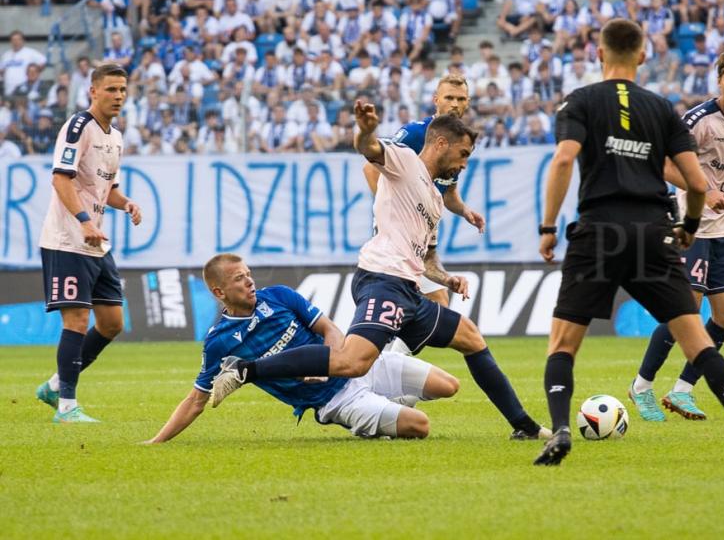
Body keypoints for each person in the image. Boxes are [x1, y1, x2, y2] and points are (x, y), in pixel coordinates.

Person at [210, 107, 550, 440]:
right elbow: (368, 148)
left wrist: (446, 279)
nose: (464, 164)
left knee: (471, 338)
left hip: (409, 290)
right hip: (382, 279)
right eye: (463, 154)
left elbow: (426, 257)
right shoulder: (404, 162)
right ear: (441, 144)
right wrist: (366, 128)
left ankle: (524, 426)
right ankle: (245, 370)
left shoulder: (433, 197)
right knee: (352, 362)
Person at [533, 19, 724, 465]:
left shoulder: (579, 101)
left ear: (598, 54)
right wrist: (687, 226)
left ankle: (562, 431)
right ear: (643, 55)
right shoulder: (663, 108)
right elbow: (696, 182)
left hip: (599, 232)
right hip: (654, 232)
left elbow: (564, 158)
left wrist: (548, 228)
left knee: (563, 345)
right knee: (698, 341)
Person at [144, 254, 460, 443]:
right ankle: (365, 423)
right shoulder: (220, 341)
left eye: (249, 275)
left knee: (449, 386)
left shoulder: (279, 296)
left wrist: (330, 364)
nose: (250, 282)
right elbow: (197, 400)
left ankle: (386, 403)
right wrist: (157, 441)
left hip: (361, 364)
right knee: (420, 427)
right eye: (240, 279)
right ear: (219, 291)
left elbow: (330, 330)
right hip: (336, 401)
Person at [629, 47, 724, 423]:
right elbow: (665, 163)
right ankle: (641, 386)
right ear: (719, 80)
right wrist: (704, 189)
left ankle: (682, 389)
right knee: (684, 310)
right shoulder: (699, 120)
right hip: (693, 225)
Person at [35, 64, 143, 423]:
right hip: (68, 239)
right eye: (111, 89)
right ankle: (66, 406)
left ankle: (54, 384)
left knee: (112, 323)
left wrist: (125, 202)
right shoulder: (78, 127)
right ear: (93, 91)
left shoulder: (115, 136)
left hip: (96, 242)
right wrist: (83, 222)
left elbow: (105, 189)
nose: (118, 96)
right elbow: (61, 179)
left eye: (123, 90)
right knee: (77, 320)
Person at [362, 75, 484, 357]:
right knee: (434, 306)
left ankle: (385, 365)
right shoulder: (417, 134)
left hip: (420, 242)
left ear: (468, 103)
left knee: (428, 309)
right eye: (449, 98)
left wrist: (465, 211)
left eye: (461, 99)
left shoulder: (458, 140)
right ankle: (383, 367)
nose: (454, 104)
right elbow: (371, 168)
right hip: (396, 240)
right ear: (436, 100)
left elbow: (447, 190)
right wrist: (393, 207)